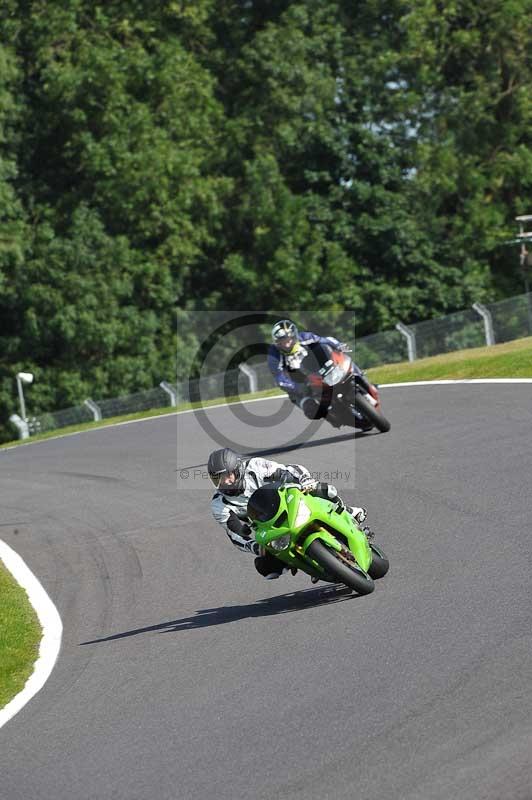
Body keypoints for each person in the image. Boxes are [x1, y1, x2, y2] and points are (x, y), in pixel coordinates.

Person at [208, 447, 367, 580]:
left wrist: (305, 480)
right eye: (218, 479)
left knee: (322, 490)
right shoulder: (219, 504)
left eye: (228, 475)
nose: (225, 482)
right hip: (269, 528)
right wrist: (253, 546)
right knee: (266, 568)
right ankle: (314, 564)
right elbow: (234, 533)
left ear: (237, 469)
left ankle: (348, 512)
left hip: (289, 503)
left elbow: (288, 470)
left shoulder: (255, 466)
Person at [267, 319, 376, 428]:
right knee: (311, 409)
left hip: (318, 370)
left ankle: (362, 378)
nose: (286, 343)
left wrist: (339, 345)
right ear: (276, 342)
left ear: (294, 335)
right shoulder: (274, 355)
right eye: (282, 341)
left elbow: (326, 340)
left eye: (288, 339)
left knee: (345, 359)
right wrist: (296, 387)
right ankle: (332, 417)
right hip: (298, 383)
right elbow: (279, 378)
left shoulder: (305, 337)